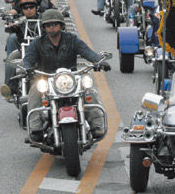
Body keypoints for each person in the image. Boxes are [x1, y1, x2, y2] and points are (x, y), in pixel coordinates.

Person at [23, 9, 111, 142]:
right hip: (47, 79)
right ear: (44, 27)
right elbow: (28, 58)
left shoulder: (72, 39)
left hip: (71, 78)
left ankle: (96, 126)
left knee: (89, 91)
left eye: (54, 24)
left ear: (61, 25)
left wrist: (98, 61)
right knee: (35, 90)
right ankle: (36, 129)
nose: (51, 27)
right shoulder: (37, 43)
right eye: (48, 25)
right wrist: (27, 68)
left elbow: (87, 52)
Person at [1, 0, 41, 97]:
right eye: (25, 8)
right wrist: (10, 24)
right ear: (22, 10)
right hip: (24, 51)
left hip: (43, 51)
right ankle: (10, 88)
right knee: (11, 59)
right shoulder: (20, 21)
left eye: (31, 7)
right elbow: (10, 29)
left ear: (36, 8)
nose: (29, 10)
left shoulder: (43, 19)